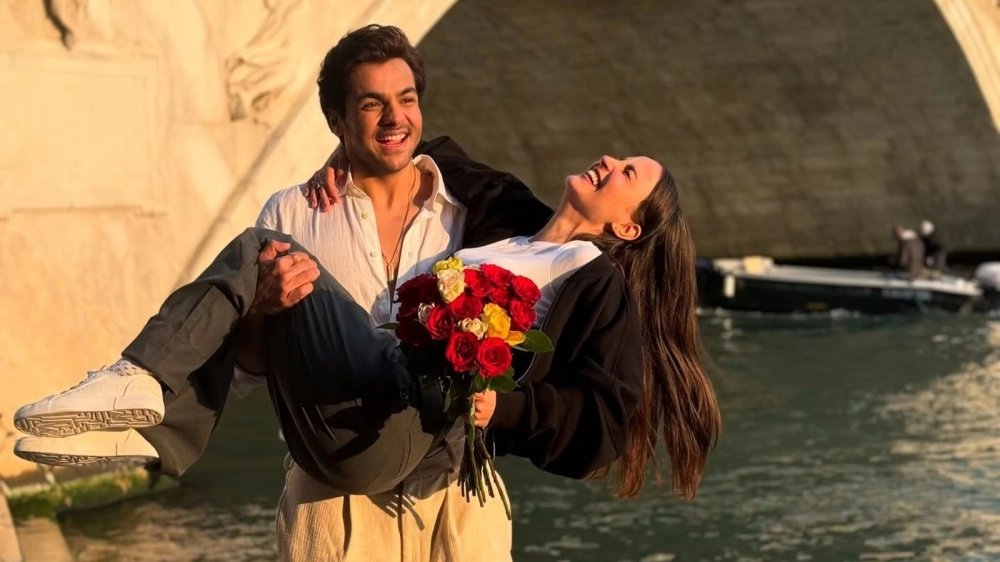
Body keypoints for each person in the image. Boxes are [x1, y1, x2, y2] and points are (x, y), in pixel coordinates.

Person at [13, 24, 720, 561]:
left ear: (628, 227)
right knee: (271, 258)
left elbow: (605, 421)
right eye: (372, 105)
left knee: (267, 253)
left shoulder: (580, 276)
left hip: (445, 479)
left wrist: (500, 407)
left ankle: (142, 404)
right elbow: (420, 149)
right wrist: (337, 169)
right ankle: (141, 409)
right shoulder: (502, 220)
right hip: (336, 480)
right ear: (341, 119)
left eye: (627, 172)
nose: (608, 160)